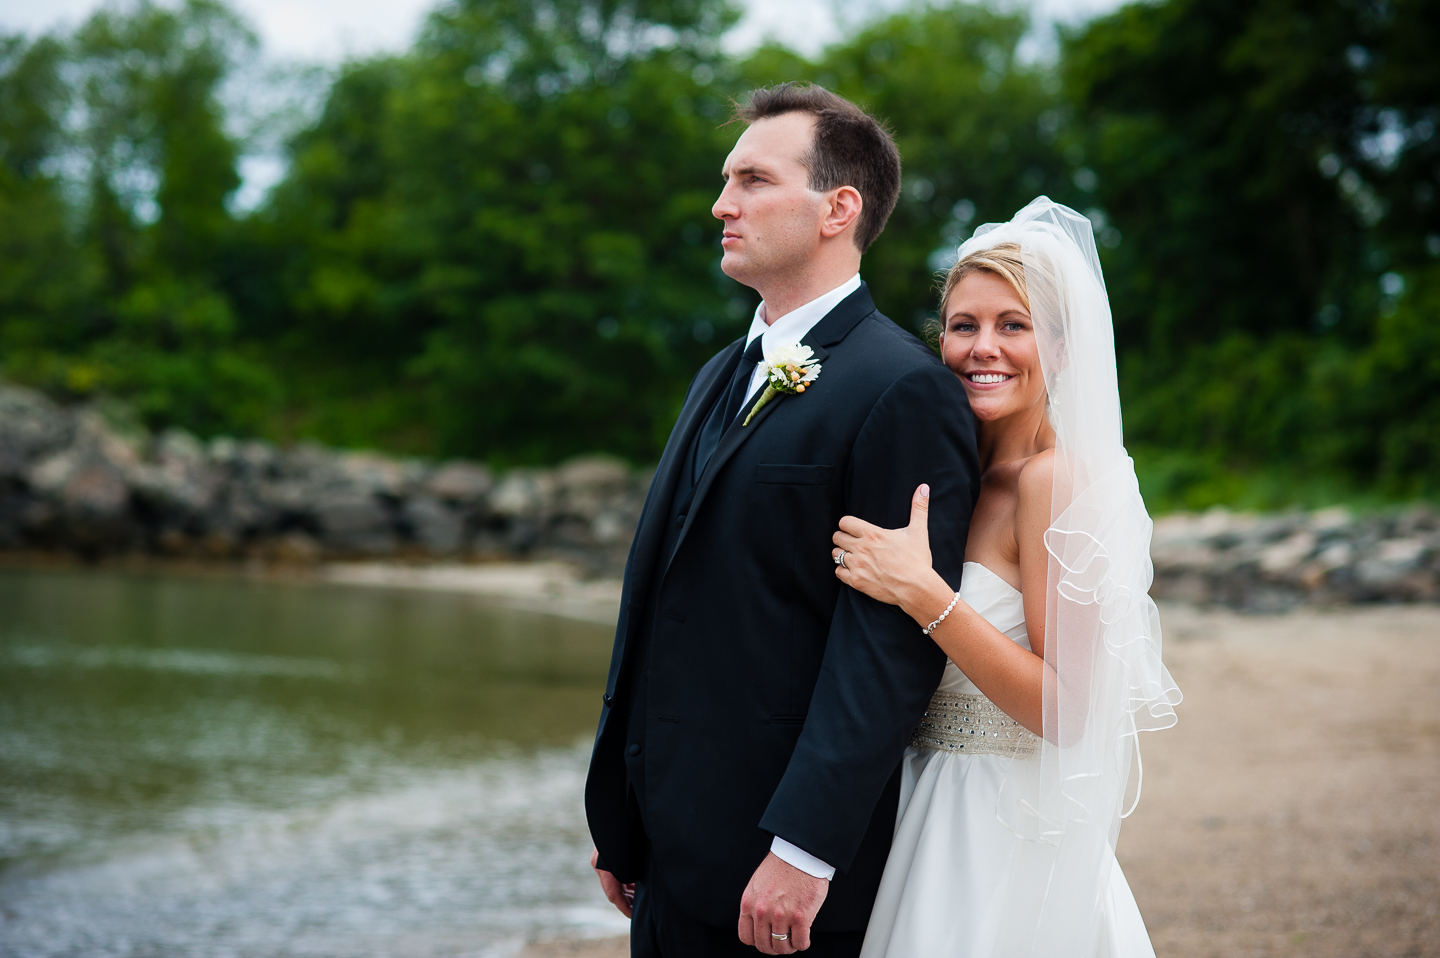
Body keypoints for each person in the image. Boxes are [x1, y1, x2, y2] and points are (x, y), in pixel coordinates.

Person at [584, 83, 980, 957]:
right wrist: (622, 812)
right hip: (667, 849)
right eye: (728, 180)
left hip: (780, 872)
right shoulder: (721, 370)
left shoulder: (903, 389)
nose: (721, 204)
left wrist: (805, 848)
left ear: (840, 207)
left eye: (754, 180)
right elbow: (667, 601)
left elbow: (886, 643)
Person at [829, 198, 1182, 957]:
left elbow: (1070, 711)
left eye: (1012, 325)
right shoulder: (954, 472)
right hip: (913, 801)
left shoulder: (1056, 483)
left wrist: (925, 594)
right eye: (964, 326)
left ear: (1059, 349)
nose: (982, 348)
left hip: (997, 824)